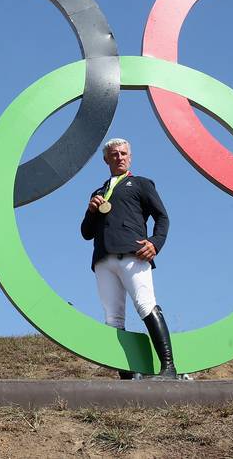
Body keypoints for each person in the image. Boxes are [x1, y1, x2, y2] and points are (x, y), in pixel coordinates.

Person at [80, 138, 177, 379]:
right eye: (114, 155)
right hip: (103, 259)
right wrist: (91, 211)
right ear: (106, 159)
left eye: (124, 154)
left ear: (130, 157)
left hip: (133, 254)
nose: (120, 157)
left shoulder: (141, 184)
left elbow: (162, 217)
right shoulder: (98, 193)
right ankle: (127, 375)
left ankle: (168, 367)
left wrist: (155, 243)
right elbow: (86, 232)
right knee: (112, 316)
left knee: (145, 304)